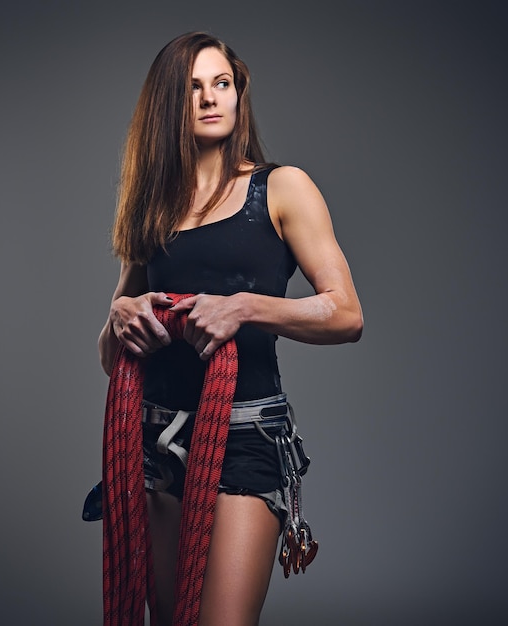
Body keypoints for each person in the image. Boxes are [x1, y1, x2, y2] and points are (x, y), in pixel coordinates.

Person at [97, 31, 363, 626]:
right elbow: (111, 358)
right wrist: (120, 316)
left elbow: (346, 313)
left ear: (239, 94)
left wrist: (244, 307)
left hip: (246, 432)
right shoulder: (152, 205)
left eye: (223, 84)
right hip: (156, 435)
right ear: (170, 102)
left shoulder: (282, 187)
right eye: (193, 88)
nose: (212, 98)